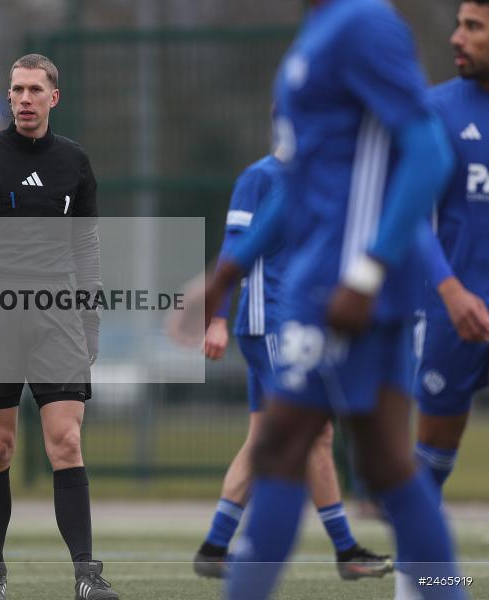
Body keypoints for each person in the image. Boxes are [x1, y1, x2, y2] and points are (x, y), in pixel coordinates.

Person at [192, 1, 463, 598]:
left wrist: (368, 272)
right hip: (323, 286)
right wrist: (228, 272)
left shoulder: (363, 24)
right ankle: (449, 589)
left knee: (284, 444)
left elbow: (428, 154)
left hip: (344, 292)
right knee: (385, 463)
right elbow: (299, 184)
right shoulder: (317, 36)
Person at [0, 54, 119, 600]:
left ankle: (87, 577)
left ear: (53, 97)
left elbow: (86, 245)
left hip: (57, 313)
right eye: (16, 89)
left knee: (66, 440)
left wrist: (90, 319)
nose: (23, 98)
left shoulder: (75, 162)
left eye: (34, 90)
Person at [171, 156, 391, 580]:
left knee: (263, 438)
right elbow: (235, 246)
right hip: (270, 324)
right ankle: (347, 551)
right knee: (317, 434)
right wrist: (216, 318)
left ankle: (215, 547)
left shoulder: (321, 174)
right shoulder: (260, 176)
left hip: (290, 326)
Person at [413, 0, 489, 494]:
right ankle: (425, 576)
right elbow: (410, 217)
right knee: (432, 459)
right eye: (459, 25)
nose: (456, 38)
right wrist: (451, 291)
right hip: (454, 313)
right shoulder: (436, 111)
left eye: (474, 27)